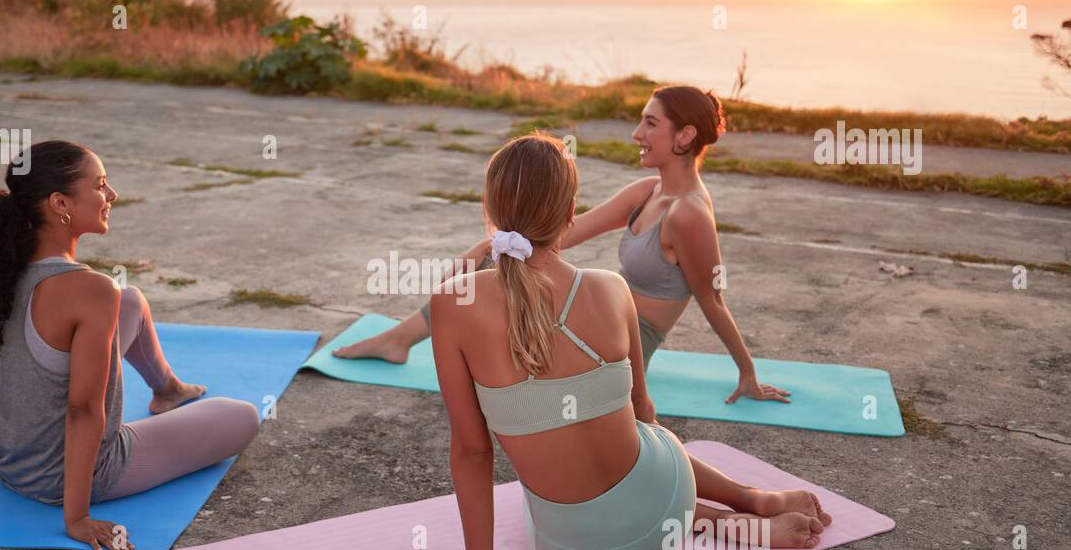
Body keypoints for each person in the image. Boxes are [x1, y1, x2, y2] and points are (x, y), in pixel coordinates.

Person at [398, 133, 829, 550]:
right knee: (645, 437)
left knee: (565, 488)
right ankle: (749, 502)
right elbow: (644, 414)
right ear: (569, 213)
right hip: (662, 498)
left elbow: (473, 451)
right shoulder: (610, 288)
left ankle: (725, 521)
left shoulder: (454, 303)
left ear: (492, 210)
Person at [0, 141, 260, 550]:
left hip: (10, 463)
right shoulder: (91, 290)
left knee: (132, 300)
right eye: (101, 185)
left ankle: (169, 388)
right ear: (60, 203)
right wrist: (77, 517)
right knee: (242, 416)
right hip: (70, 476)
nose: (112, 195)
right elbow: (83, 409)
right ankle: (167, 400)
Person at [335, 85, 789, 405]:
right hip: (590, 314)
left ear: (685, 136)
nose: (636, 133)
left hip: (619, 338)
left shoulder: (688, 213)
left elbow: (712, 299)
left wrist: (747, 372)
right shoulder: (646, 193)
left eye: (650, 123)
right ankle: (399, 340)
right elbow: (558, 235)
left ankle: (401, 339)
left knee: (490, 291)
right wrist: (491, 247)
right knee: (492, 275)